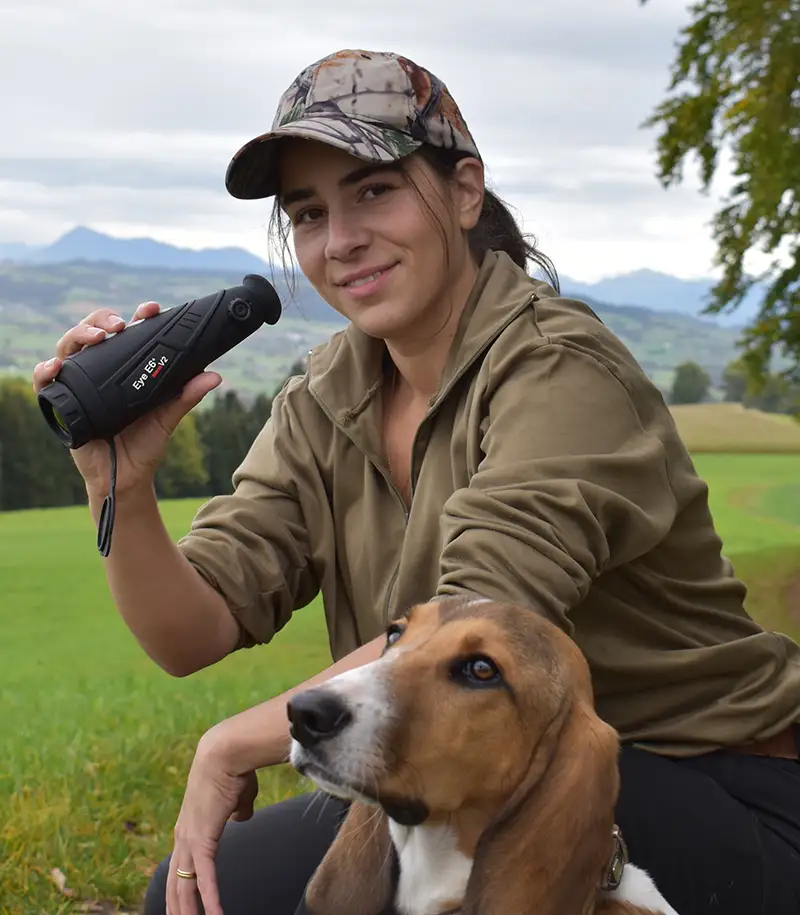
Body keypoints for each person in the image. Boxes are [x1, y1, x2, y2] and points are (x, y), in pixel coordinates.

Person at [33, 49, 800, 915]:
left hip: (716, 788)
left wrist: (233, 743)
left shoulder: (562, 371)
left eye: (373, 191)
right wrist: (121, 485)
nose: (342, 239)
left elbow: (478, 616)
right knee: (221, 895)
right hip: (472, 771)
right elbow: (188, 631)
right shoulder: (327, 395)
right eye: (310, 213)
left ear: (465, 192)